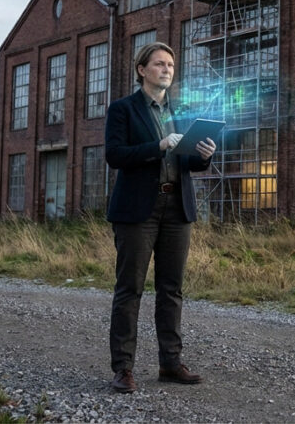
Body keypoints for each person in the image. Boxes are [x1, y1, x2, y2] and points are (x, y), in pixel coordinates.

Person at [104, 42, 216, 394]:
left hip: (177, 208)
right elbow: (115, 155)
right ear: (142, 70)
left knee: (172, 289)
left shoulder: (180, 113)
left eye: (170, 64)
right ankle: (123, 368)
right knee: (130, 289)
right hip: (138, 209)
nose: (167, 69)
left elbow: (188, 162)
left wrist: (204, 155)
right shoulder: (123, 109)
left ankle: (170, 362)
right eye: (159, 64)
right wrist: (159, 145)